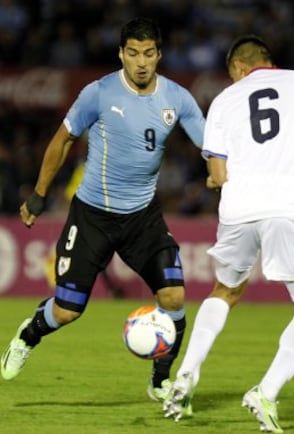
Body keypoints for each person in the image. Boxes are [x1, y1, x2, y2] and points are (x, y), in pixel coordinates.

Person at [1, 17, 205, 404]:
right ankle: (27, 337)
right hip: (92, 216)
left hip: (143, 217)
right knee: (66, 311)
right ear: (121, 54)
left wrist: (220, 169)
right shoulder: (98, 92)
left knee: (175, 298)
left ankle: (160, 381)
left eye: (148, 54)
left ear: (159, 55)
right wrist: (39, 194)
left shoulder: (177, 98)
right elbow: (62, 140)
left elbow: (210, 145)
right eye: (133, 53)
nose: (141, 62)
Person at [163, 35, 294, 432]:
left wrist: (217, 181)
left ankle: (184, 376)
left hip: (238, 210)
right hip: (289, 210)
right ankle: (265, 393)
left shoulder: (224, 100)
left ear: (238, 68)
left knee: (225, 291)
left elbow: (218, 174)